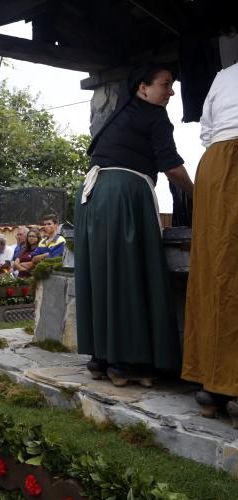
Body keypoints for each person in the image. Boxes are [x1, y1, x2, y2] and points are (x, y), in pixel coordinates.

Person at [75, 64, 194, 387]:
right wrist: (200, 193)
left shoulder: (121, 114)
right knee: (128, 275)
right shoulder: (154, 116)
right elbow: (170, 166)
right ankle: (125, 363)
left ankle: (101, 357)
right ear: (143, 88)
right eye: (165, 84)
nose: (170, 92)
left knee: (103, 275)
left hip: (91, 196)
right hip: (122, 195)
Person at [182, 62, 238, 421]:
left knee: (213, 271)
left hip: (214, 163)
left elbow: (206, 131)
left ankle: (211, 387)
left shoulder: (223, 75)